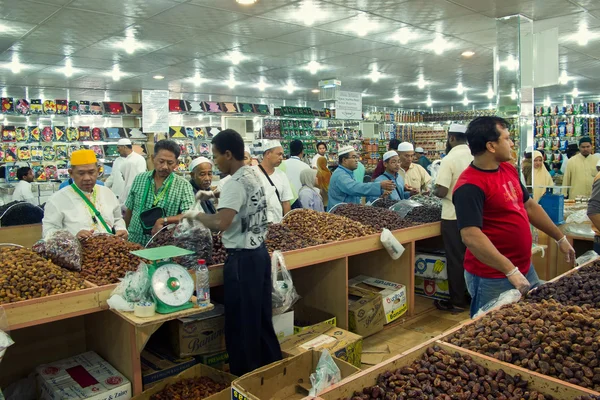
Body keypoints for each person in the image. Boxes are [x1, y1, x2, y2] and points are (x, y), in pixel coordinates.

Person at [453, 116, 575, 317]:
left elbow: (529, 206)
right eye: (507, 139)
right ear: (491, 146)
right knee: (490, 332)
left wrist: (559, 237)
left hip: (524, 268)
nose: (511, 144)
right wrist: (510, 271)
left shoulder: (507, 169)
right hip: (492, 277)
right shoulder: (470, 186)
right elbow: (471, 236)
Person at [183, 129, 282, 376]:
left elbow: (221, 223)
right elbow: (239, 193)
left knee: (241, 325)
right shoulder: (251, 173)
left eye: (216, 156)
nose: (215, 162)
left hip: (241, 262)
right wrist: (212, 193)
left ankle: (245, 378)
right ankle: (272, 370)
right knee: (260, 319)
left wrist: (194, 215)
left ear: (228, 154)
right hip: (259, 254)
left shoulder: (234, 183)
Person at [43, 149, 127, 240]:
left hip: (108, 250)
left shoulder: (107, 193)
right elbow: (48, 232)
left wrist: (121, 229)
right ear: (71, 173)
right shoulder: (57, 200)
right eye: (81, 173)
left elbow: (118, 219)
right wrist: (73, 237)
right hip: (76, 252)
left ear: (98, 171)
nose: (87, 178)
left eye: (91, 172)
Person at [432, 124, 472, 312]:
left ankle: (457, 301)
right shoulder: (475, 156)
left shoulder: (449, 159)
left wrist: (433, 189)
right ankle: (472, 295)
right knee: (473, 257)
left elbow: (442, 190)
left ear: (452, 139)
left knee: (456, 259)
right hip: (475, 216)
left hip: (452, 216)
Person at [125, 140, 195, 245]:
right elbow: (129, 208)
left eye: (170, 163)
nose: (165, 167)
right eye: (161, 161)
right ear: (153, 159)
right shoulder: (140, 179)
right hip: (134, 242)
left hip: (162, 245)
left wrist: (164, 220)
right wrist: (125, 232)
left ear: (176, 163)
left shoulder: (183, 185)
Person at [328, 146, 395, 209]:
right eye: (354, 157)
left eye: (357, 157)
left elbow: (359, 193)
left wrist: (379, 194)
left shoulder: (348, 173)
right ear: (344, 160)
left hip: (349, 211)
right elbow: (355, 188)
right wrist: (379, 185)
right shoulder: (340, 175)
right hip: (339, 214)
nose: (357, 160)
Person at [253, 140, 293, 223]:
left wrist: (286, 225)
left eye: (282, 154)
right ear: (268, 154)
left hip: (276, 226)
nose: (282, 157)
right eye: (279, 154)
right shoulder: (251, 173)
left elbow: (286, 202)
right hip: (256, 226)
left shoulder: (281, 175)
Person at [116, 138, 147, 206]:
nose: (117, 150)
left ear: (124, 147)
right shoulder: (119, 160)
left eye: (118, 148)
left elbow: (139, 177)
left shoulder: (136, 160)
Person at [280, 139, 310, 207]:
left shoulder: (282, 164)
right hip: (301, 201)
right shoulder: (306, 167)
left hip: (285, 201)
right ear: (302, 151)